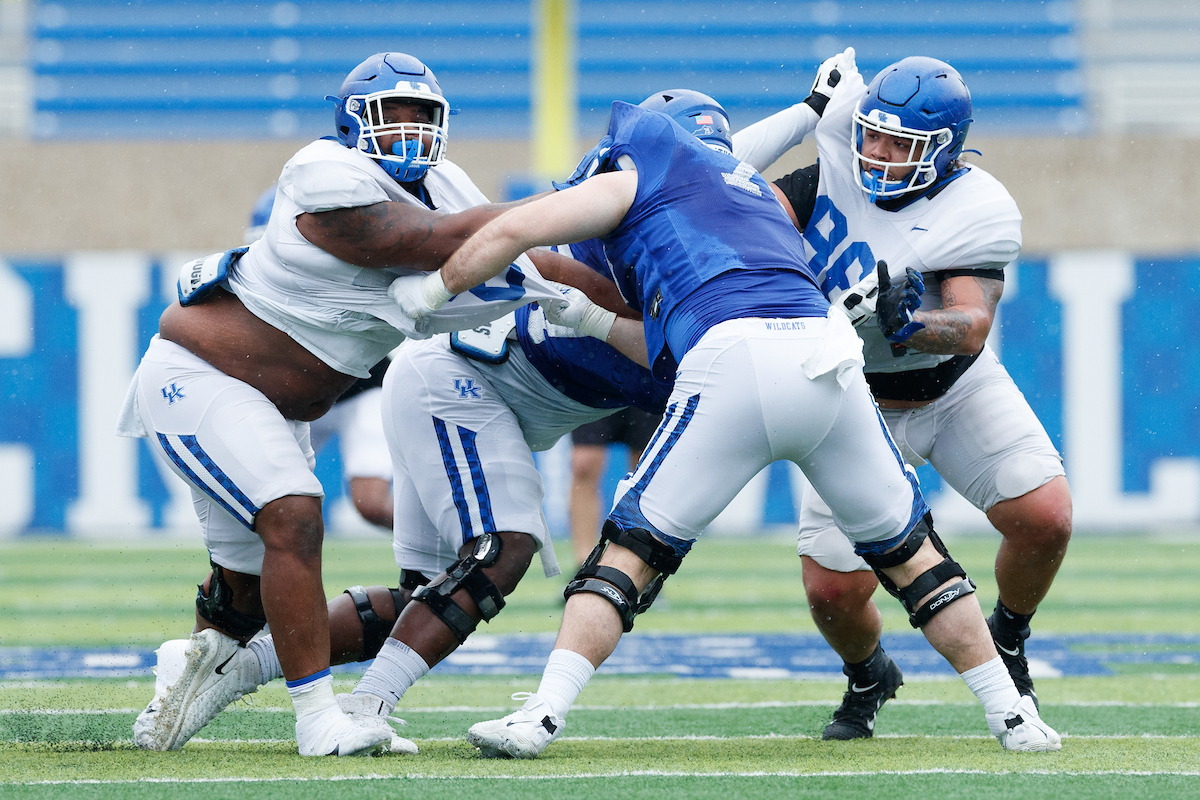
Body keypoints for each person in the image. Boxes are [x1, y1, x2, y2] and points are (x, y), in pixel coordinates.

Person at [391, 88, 1061, 757]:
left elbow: (513, 232)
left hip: (735, 353)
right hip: (827, 353)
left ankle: (541, 715)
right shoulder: (749, 187)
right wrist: (805, 111)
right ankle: (1013, 716)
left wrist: (424, 297)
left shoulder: (651, 166)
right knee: (916, 559)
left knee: (630, 553)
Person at [120, 51, 604, 757]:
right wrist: (561, 208)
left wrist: (635, 306)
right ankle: (319, 720)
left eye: (422, 116)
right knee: (293, 513)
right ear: (352, 122)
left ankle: (186, 671)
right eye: (390, 114)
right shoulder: (325, 173)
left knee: (243, 594)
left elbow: (528, 262)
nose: (407, 130)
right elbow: (425, 241)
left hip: (274, 405)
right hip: (198, 380)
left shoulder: (445, 184)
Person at [134, 256, 665, 752]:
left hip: (446, 378)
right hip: (456, 377)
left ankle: (237, 670)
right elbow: (520, 246)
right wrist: (601, 309)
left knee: (425, 594)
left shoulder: (709, 311)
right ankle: (358, 706)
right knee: (499, 550)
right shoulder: (673, 285)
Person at [731, 50, 1073, 739]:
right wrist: (805, 118)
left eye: (900, 143)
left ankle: (1008, 635)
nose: (877, 152)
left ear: (943, 153)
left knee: (1046, 515)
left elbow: (972, 325)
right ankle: (868, 674)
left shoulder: (975, 208)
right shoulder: (829, 173)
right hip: (850, 405)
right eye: (872, 133)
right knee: (833, 591)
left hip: (952, 392)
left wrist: (906, 322)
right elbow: (734, 197)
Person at [248, 185, 395, 530]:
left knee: (370, 503)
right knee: (261, 497)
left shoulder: (344, 273)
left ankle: (452, 543)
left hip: (360, 389)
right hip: (301, 398)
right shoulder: (254, 281)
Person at [568, 408, 660, 565]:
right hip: (598, 386)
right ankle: (584, 564)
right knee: (584, 464)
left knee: (646, 466)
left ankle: (642, 562)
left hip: (645, 386)